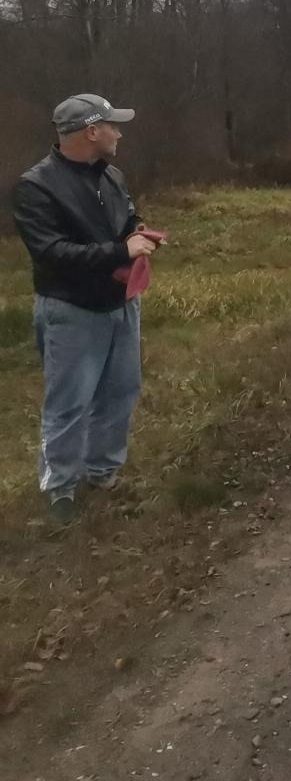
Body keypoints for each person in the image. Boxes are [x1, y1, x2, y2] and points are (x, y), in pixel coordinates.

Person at [11, 95, 160, 527]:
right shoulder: (35, 187)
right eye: (113, 125)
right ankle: (60, 487)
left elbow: (129, 216)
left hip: (122, 303)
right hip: (71, 311)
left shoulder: (111, 175)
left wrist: (140, 232)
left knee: (121, 392)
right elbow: (52, 253)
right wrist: (119, 249)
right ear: (92, 131)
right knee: (69, 403)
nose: (119, 132)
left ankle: (102, 471)